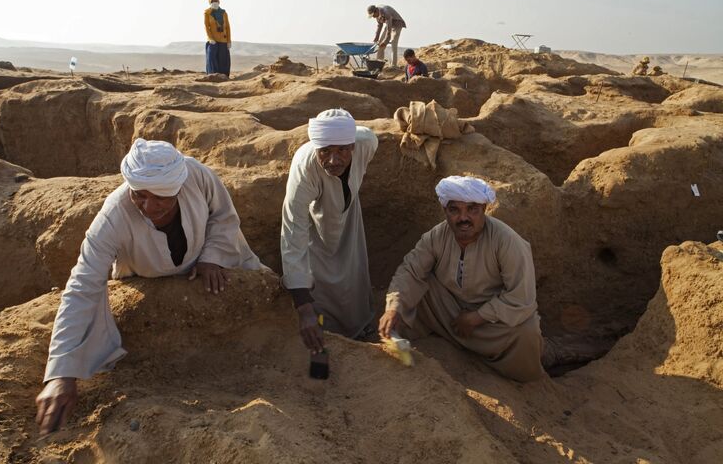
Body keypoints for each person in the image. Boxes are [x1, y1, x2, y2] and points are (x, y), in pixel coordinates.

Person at [35, 139, 263, 435]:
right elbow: (83, 283)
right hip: (146, 275)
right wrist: (61, 373)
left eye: (160, 198)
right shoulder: (112, 217)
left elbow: (222, 216)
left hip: (202, 259)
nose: (148, 206)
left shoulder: (196, 175)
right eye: (139, 195)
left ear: (178, 188)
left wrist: (212, 257)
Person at [378, 176, 545, 382]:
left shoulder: (508, 242)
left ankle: (533, 364)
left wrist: (477, 317)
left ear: (484, 209)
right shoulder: (436, 236)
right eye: (454, 210)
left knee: (527, 332)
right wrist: (394, 307)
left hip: (491, 322)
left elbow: (521, 297)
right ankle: (397, 339)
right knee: (411, 294)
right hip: (449, 313)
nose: (463, 218)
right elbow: (411, 271)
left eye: (472, 209)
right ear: (445, 211)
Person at [281, 109, 378, 353]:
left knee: (354, 274)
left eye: (342, 150)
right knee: (320, 287)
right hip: (317, 227)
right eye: (325, 151)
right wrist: (303, 307)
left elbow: (365, 133)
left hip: (349, 218)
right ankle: (325, 336)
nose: (334, 160)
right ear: (316, 148)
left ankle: (361, 329)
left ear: (352, 146)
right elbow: (293, 232)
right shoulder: (304, 169)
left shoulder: (366, 143)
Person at [204, 0, 232, 76]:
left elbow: (227, 27)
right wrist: (210, 38)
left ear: (219, 2)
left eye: (215, 1)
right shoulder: (207, 13)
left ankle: (224, 77)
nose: (214, 2)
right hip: (213, 40)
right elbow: (206, 27)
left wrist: (229, 41)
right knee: (211, 57)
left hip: (223, 40)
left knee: (223, 59)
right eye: (212, 1)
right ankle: (212, 75)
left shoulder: (224, 13)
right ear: (210, 2)